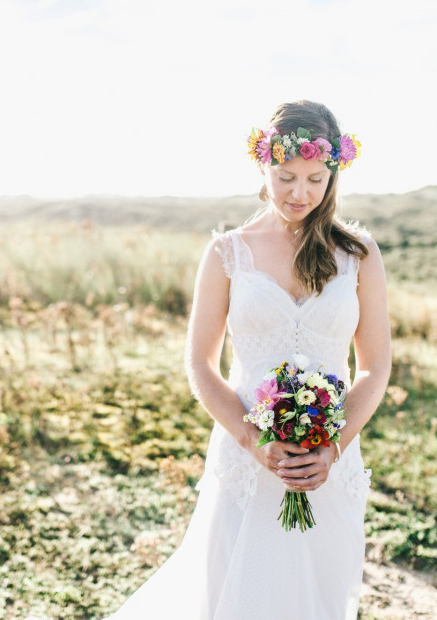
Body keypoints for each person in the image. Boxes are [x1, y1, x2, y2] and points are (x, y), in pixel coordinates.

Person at [106, 100, 391, 620]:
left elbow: (374, 367)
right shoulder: (227, 254)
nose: (299, 193)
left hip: (329, 466)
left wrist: (332, 446)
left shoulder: (359, 255)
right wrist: (254, 441)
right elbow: (200, 362)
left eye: (314, 179)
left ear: (334, 173)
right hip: (247, 460)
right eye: (285, 177)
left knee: (318, 600)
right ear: (263, 166)